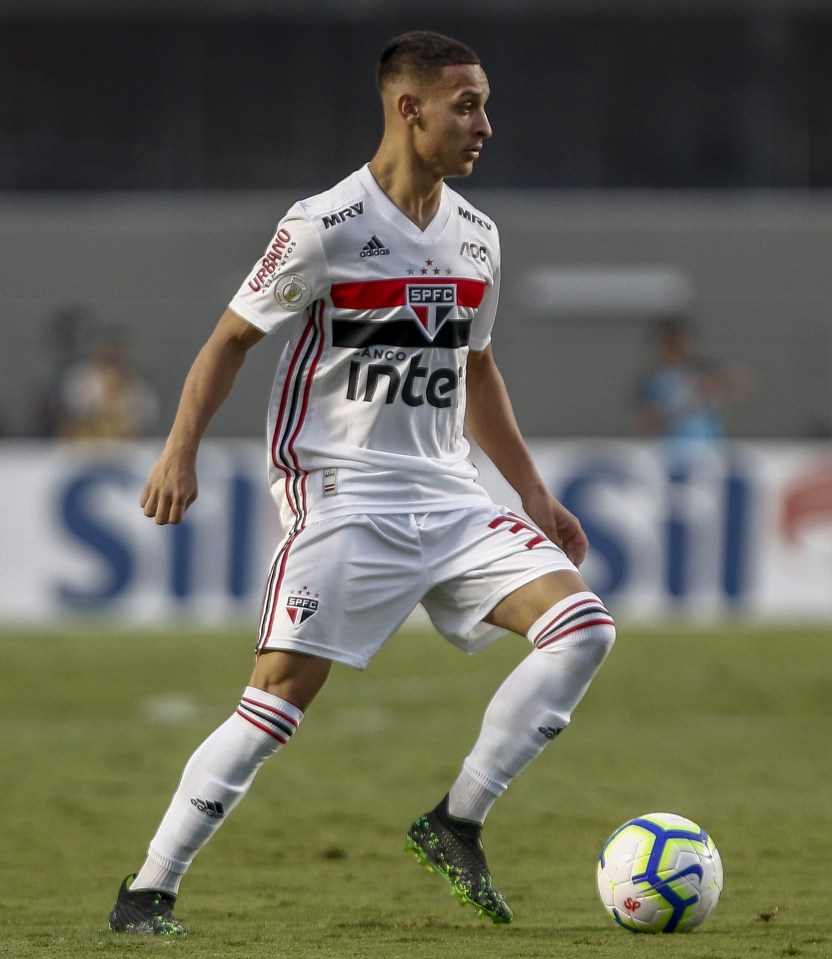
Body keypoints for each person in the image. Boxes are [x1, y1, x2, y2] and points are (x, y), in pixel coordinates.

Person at [107, 30, 615, 935]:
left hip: (453, 496)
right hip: (344, 499)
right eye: (467, 105)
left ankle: (455, 819)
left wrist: (531, 492)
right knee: (273, 704)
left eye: (486, 104)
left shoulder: (480, 237)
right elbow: (230, 340)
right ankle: (148, 889)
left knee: (582, 629)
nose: (485, 125)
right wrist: (178, 448)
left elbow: (478, 368)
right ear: (407, 108)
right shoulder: (324, 227)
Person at [635, 316, 748, 463]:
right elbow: (645, 424)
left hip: (707, 451)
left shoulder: (703, 370)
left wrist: (714, 386)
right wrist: (684, 405)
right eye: (672, 344)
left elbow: (738, 385)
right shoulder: (652, 380)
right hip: (669, 455)